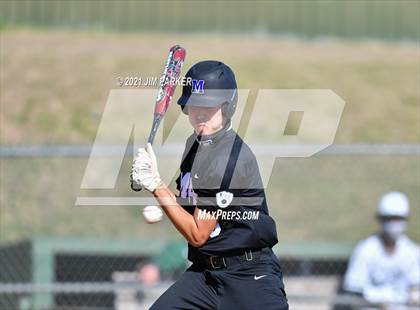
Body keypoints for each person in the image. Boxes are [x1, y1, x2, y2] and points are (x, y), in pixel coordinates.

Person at [131, 60, 288, 309]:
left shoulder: (228, 158)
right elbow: (190, 207)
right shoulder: (194, 146)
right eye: (193, 105)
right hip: (205, 276)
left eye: (208, 105)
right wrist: (157, 190)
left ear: (227, 107)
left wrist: (155, 185)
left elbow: (197, 234)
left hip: (248, 277)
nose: (199, 112)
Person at [343, 191, 420, 307]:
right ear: (380, 219)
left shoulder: (412, 251)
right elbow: (354, 289)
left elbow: (415, 285)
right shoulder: (366, 249)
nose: (394, 224)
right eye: (389, 218)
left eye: (398, 219)